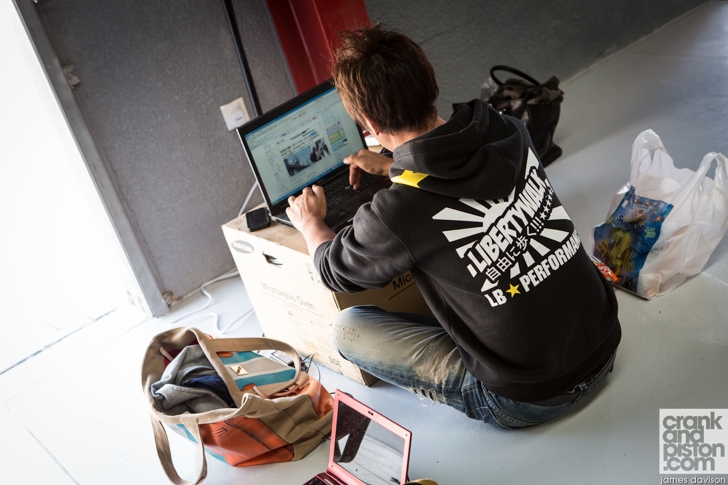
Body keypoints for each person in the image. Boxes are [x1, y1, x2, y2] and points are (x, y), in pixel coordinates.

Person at [286, 25, 621, 428]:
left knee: (347, 329)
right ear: (430, 82)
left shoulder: (399, 210)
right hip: (604, 345)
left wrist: (310, 222)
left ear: (370, 124)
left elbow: (332, 270)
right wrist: (395, 166)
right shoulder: (507, 129)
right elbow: (461, 175)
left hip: (529, 399)